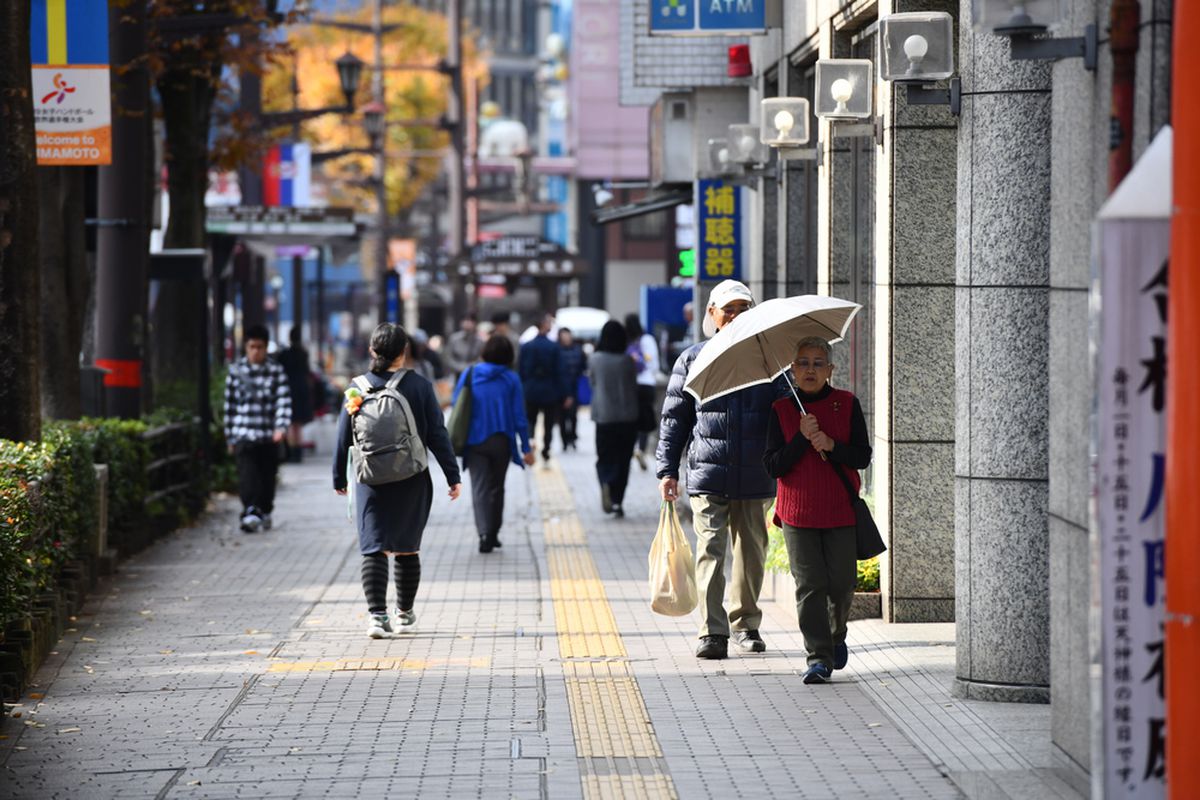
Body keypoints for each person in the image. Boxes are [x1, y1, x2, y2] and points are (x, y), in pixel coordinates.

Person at [656, 280, 787, 660]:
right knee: (710, 549)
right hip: (708, 473)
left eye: (742, 308)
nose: (734, 316)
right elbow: (674, 419)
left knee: (752, 552)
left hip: (755, 471)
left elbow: (786, 416)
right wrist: (668, 470)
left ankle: (746, 623)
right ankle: (712, 632)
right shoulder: (693, 359)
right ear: (711, 314)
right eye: (727, 309)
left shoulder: (770, 362)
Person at [334, 323, 462, 639]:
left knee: (373, 547)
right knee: (406, 548)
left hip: (369, 478)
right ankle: (404, 614)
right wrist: (452, 475)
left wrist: (340, 476)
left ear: (372, 351)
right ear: (403, 353)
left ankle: (377, 617)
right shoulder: (418, 386)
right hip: (412, 476)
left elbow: (343, 437)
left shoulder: (356, 388)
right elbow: (437, 433)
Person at [762, 336, 872, 684]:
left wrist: (830, 444)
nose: (810, 369)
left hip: (840, 510)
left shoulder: (846, 403)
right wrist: (800, 438)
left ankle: (836, 635)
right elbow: (773, 466)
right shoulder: (781, 410)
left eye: (817, 363)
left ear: (830, 369)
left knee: (841, 584)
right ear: (792, 370)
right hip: (798, 513)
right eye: (803, 363)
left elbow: (862, 456)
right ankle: (818, 657)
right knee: (809, 585)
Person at [452, 335, 536, 552]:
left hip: (474, 440)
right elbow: (519, 416)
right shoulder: (511, 378)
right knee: (497, 488)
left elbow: (456, 402)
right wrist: (526, 447)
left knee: (480, 488)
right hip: (501, 440)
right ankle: (493, 532)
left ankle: (484, 533)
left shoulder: (470, 373)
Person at [224, 324, 292, 532]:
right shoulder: (236, 372)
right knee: (247, 476)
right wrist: (230, 437)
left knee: (266, 477)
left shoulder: (276, 372)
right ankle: (250, 511)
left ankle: (264, 510)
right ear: (245, 347)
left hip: (267, 435)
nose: (255, 351)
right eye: (252, 347)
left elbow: (283, 401)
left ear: (265, 348)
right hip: (244, 433)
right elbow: (230, 406)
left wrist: (280, 427)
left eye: (259, 347)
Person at [590, 321, 639, 518]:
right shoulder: (627, 361)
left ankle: (605, 483)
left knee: (604, 456)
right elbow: (633, 385)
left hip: (603, 416)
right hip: (628, 417)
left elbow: (592, 382)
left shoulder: (595, 359)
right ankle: (617, 501)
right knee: (623, 460)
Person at [519, 313, 570, 464]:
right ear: (543, 325)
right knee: (548, 423)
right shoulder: (554, 347)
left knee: (530, 420)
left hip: (531, 389)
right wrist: (566, 393)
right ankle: (546, 449)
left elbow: (521, 370)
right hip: (550, 390)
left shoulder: (526, 347)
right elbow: (560, 371)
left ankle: (530, 443)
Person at [624, 313, 661, 470]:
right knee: (645, 419)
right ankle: (641, 449)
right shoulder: (647, 340)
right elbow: (654, 366)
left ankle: (628, 450)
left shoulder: (626, 342)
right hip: (647, 384)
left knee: (631, 418)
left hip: (631, 386)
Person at [277, 327, 314, 463]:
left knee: (291, 423)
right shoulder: (303, 354)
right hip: (301, 389)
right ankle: (298, 451)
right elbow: (307, 372)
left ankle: (293, 452)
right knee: (297, 424)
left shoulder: (284, 354)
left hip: (288, 389)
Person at [557, 327, 586, 451]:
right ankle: (564, 440)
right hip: (560, 387)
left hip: (574, 385)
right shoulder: (556, 350)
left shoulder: (578, 350)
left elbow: (583, 367)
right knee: (562, 416)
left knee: (573, 415)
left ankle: (573, 438)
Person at [445, 313, 483, 377]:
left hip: (473, 373)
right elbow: (448, 358)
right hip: (456, 374)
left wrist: (469, 367)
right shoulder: (454, 339)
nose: (467, 323)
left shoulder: (480, 341)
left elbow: (480, 359)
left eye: (471, 321)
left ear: (475, 323)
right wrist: (460, 367)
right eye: (465, 320)